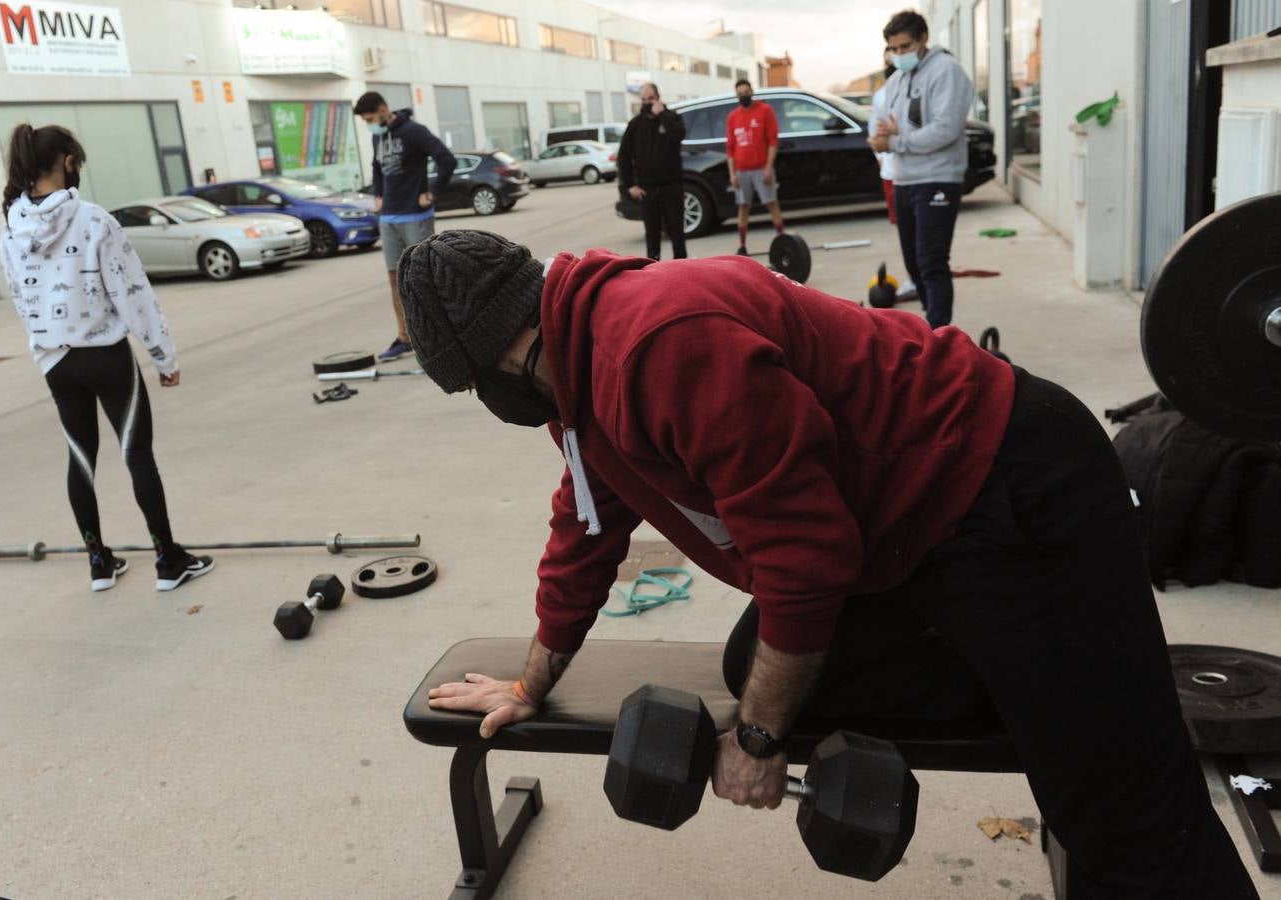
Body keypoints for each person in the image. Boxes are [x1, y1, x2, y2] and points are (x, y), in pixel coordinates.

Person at [401, 230, 1259, 897]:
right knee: (756, 665)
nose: (490, 405)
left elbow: (804, 563)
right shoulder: (576, 368)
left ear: (505, 354)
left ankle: (1088, 706)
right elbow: (586, 526)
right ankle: (1056, 678)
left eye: (481, 385)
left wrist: (762, 739)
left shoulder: (657, 348)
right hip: (904, 524)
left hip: (1006, 479)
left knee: (1123, 812)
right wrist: (531, 680)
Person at [0, 124, 214, 594]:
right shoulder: (94, 219)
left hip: (56, 361)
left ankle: (99, 563)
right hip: (106, 356)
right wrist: (162, 354)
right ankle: (168, 560)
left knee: (80, 458)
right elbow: (131, 292)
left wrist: (45, 346)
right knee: (136, 454)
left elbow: (19, 298)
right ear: (68, 163)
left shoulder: (10, 228)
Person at [870, 9, 974, 329]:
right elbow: (886, 124)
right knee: (914, 265)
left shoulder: (947, 71)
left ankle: (938, 339)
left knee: (932, 263)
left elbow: (946, 129)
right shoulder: (898, 79)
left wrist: (896, 143)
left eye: (905, 47)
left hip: (937, 179)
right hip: (904, 180)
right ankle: (933, 329)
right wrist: (880, 138)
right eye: (894, 49)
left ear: (923, 39)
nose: (899, 54)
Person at [354, 91, 457, 362]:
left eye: (371, 118)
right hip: (388, 218)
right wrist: (378, 194)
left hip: (415, 217)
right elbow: (377, 167)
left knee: (423, 278)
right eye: (366, 121)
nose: (370, 124)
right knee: (394, 280)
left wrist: (432, 192)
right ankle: (405, 337)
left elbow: (447, 159)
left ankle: (440, 338)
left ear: (384, 109)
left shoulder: (414, 132)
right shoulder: (378, 135)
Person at [616, 82, 687, 261]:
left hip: (671, 186)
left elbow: (678, 135)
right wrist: (629, 185)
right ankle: (653, 271)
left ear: (658, 98)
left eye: (651, 99)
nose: (647, 103)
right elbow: (623, 156)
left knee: (677, 233)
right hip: (647, 189)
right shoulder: (635, 124)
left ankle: (683, 271)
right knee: (652, 235)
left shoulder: (671, 117)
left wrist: (662, 115)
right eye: (643, 100)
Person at [724, 79, 785, 257]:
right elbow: (730, 148)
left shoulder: (764, 111)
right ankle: (742, 246)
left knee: (771, 203)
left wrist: (768, 167)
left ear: (752, 91)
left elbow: (773, 141)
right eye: (740, 93)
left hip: (761, 167)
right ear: (737, 95)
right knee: (743, 206)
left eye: (746, 91)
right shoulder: (733, 117)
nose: (744, 95)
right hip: (741, 170)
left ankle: (782, 239)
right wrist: (732, 173)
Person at [868, 48, 899, 225]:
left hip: (918, 175)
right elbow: (874, 129)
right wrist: (879, 156)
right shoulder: (881, 96)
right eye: (887, 63)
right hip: (891, 173)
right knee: (901, 225)